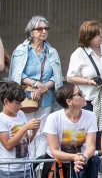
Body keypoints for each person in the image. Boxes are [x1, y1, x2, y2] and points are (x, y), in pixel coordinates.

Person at [8, 16, 63, 158]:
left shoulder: (52, 52)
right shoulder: (21, 50)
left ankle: (38, 164)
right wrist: (36, 85)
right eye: (40, 29)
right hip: (25, 97)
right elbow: (17, 74)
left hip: (46, 97)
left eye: (46, 28)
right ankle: (25, 162)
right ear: (31, 32)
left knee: (43, 131)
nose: (44, 31)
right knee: (25, 129)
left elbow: (56, 76)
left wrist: (45, 87)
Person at [66, 21, 102, 149]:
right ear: (88, 37)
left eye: (101, 33)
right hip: (88, 101)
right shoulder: (79, 53)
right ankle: (85, 162)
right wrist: (89, 81)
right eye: (97, 34)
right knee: (87, 134)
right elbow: (70, 77)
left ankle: (100, 162)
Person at [42, 83, 100, 178]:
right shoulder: (53, 118)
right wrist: (75, 157)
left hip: (81, 164)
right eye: (80, 93)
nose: (84, 95)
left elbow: (91, 147)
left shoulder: (91, 116)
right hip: (57, 165)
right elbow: (54, 150)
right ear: (69, 101)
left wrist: (83, 158)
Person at [0, 81, 40, 178]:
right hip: (10, 170)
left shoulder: (21, 114)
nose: (20, 106)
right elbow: (8, 145)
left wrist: (34, 132)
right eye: (17, 103)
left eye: (21, 103)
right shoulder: (2, 119)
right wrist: (25, 127)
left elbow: (25, 142)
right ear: (6, 101)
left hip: (26, 167)